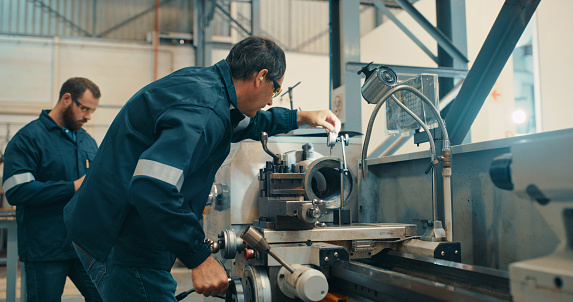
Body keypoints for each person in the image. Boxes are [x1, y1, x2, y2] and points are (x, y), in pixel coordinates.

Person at [63, 36, 341, 301]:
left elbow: (249, 124)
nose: (271, 100)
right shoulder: (205, 111)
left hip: (110, 223)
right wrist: (199, 257)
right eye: (275, 89)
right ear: (260, 77)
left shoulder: (207, 87)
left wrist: (302, 117)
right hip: (122, 240)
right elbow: (152, 188)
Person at [2, 77, 103, 302]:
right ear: (67, 99)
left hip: (83, 248)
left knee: (105, 297)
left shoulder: (87, 141)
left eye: (91, 111)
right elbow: (17, 190)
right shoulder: (28, 139)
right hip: (45, 249)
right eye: (84, 108)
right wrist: (72, 187)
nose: (88, 116)